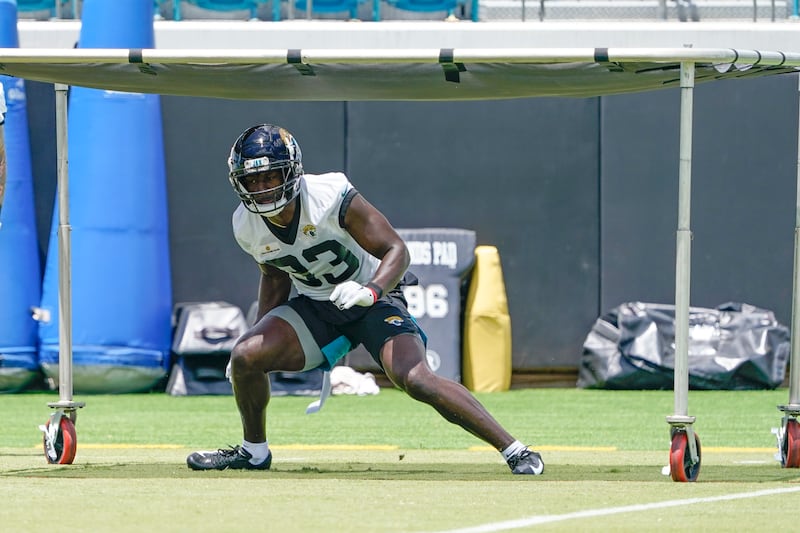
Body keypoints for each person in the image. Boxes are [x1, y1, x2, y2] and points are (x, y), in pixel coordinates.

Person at [186, 124, 544, 475]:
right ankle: (254, 452)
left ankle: (514, 449)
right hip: (318, 306)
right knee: (246, 355)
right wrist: (255, 336)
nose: (262, 189)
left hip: (374, 298)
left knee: (415, 378)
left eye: (270, 177)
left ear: (292, 171)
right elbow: (276, 276)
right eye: (252, 180)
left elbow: (397, 250)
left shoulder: (328, 195)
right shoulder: (245, 224)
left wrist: (370, 290)